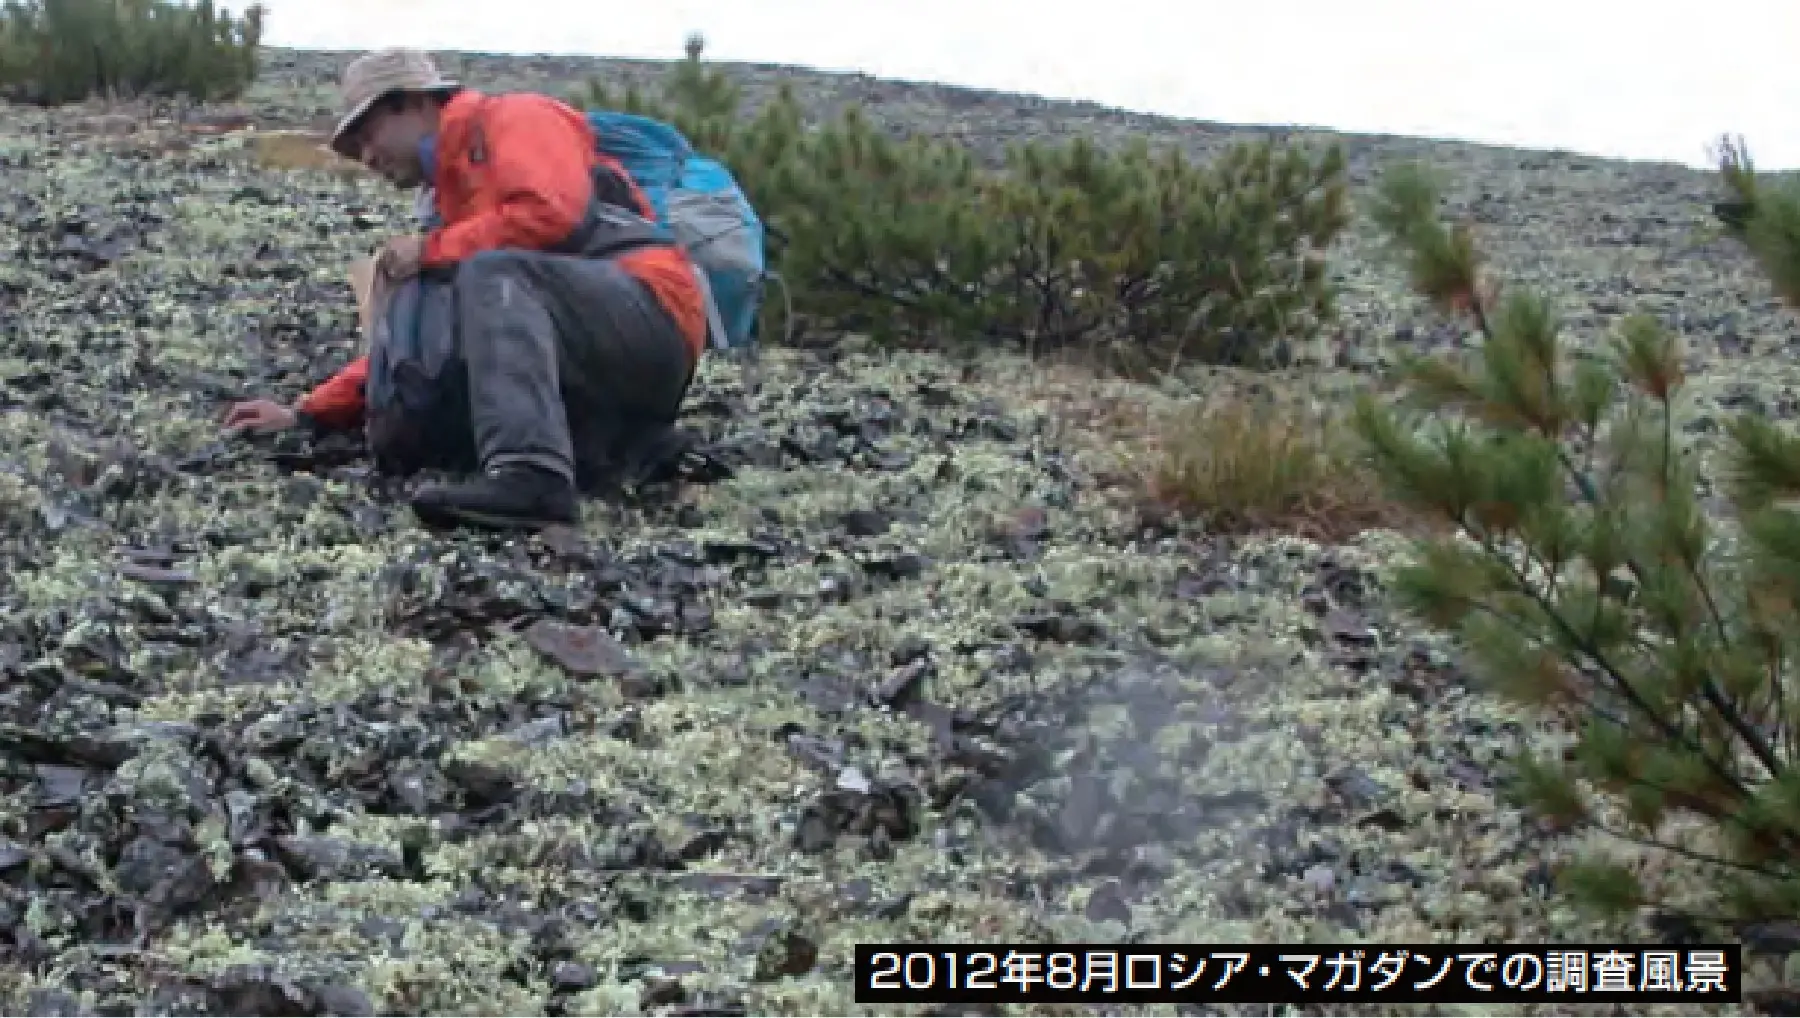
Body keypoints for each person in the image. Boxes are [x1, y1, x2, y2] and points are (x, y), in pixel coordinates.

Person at [224, 48, 707, 531]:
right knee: (445, 381)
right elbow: (428, 345)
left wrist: (433, 250)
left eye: (367, 135)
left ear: (410, 104)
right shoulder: (452, 202)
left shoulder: (516, 118)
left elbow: (552, 213)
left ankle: (533, 476)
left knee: (492, 275)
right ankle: (629, 449)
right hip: (594, 356)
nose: (368, 158)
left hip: (652, 312)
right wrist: (306, 414)